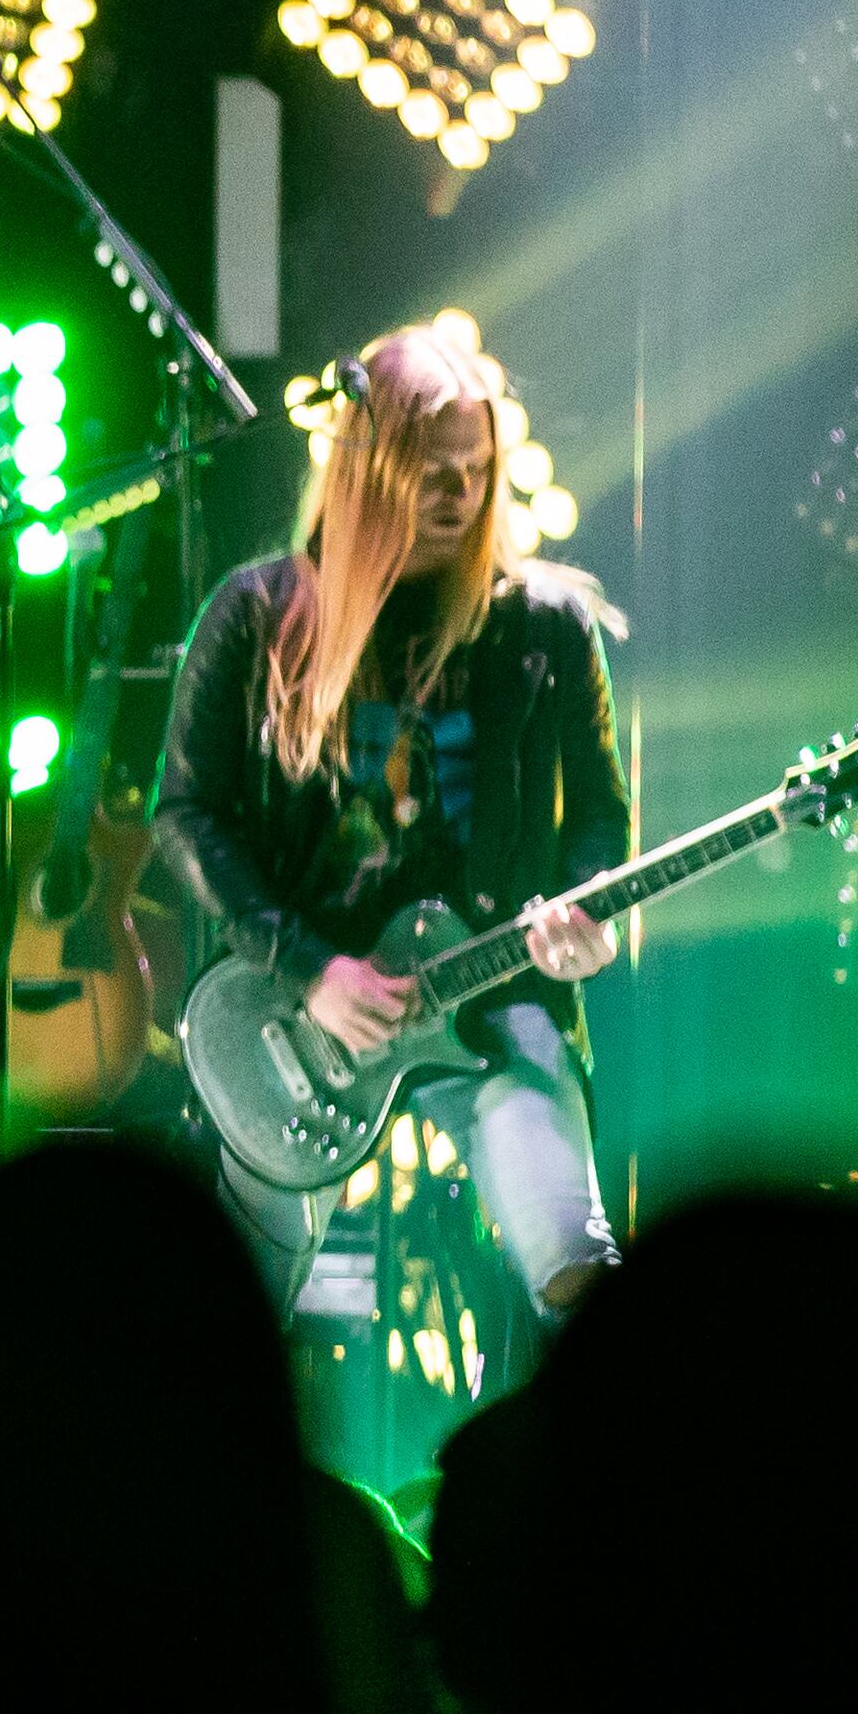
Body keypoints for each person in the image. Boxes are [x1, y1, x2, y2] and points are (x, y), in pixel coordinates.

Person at [151, 322, 629, 1318]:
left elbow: (598, 813)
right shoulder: (256, 613)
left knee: (587, 1283)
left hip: (490, 996)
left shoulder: (543, 624)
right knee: (217, 1320)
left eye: (476, 469)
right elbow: (186, 814)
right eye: (432, 470)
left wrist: (582, 914)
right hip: (301, 1012)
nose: (459, 495)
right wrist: (309, 967)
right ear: (367, 468)